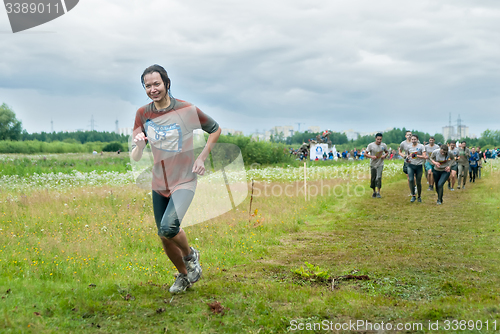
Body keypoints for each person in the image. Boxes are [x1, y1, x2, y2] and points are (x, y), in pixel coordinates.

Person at [130, 64, 221, 294]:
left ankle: (191, 255)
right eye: (148, 86)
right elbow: (136, 153)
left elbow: (215, 129)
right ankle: (184, 276)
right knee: (164, 236)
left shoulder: (186, 110)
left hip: (184, 179)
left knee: (169, 227)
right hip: (160, 181)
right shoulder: (143, 114)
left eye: (156, 84)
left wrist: (201, 157)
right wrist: (139, 146)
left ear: (167, 83)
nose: (153, 89)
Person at [365, 133, 389, 198]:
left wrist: (384, 155)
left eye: (380, 139)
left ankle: (378, 192)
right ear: (375, 139)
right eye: (378, 139)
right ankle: (374, 192)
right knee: (373, 178)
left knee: (378, 177)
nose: (379, 141)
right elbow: (365, 153)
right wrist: (371, 156)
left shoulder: (383, 145)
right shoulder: (371, 145)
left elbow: (387, 152)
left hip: (380, 164)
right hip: (373, 164)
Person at [406, 134, 427, 203]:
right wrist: (407, 159)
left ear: (417, 140)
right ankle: (413, 195)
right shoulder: (409, 147)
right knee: (411, 180)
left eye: (415, 139)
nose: (413, 141)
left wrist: (417, 155)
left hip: (419, 165)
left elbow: (424, 156)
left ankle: (419, 196)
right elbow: (408, 155)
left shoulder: (421, 146)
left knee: (418, 182)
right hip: (411, 165)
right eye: (412, 139)